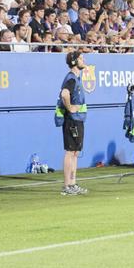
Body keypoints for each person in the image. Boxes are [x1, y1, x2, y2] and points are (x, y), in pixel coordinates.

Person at [58, 49, 88, 196]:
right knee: (70, 152)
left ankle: (73, 183)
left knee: (75, 152)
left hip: (78, 119)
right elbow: (64, 94)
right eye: (81, 58)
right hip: (72, 120)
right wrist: (70, 108)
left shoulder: (76, 78)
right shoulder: (70, 78)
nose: (84, 60)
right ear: (75, 62)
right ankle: (67, 186)